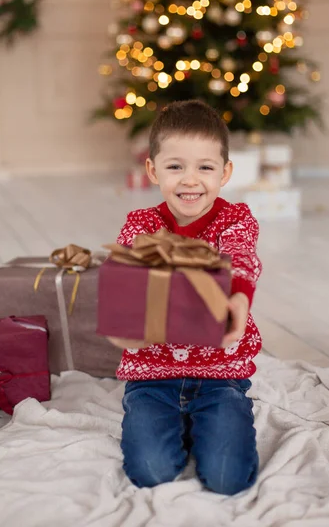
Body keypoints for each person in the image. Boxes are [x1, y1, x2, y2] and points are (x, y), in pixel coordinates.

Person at [111, 99, 262, 495]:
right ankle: (175, 427)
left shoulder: (236, 220)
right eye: (175, 166)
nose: (190, 180)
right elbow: (128, 283)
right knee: (149, 471)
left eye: (205, 167)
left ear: (225, 172)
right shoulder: (142, 224)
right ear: (152, 169)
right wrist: (128, 328)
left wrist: (238, 303)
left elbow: (241, 262)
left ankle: (211, 426)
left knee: (229, 478)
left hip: (220, 376)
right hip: (152, 376)